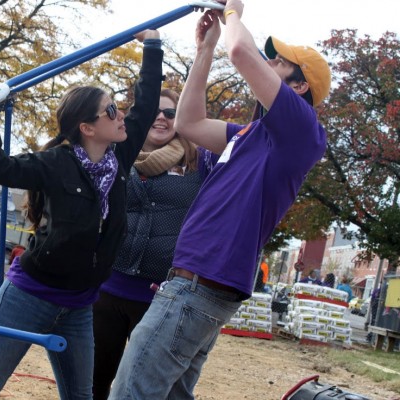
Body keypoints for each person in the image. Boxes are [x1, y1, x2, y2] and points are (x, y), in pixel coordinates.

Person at [109, 3, 330, 399]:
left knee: (131, 391)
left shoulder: (301, 128)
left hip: (200, 284)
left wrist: (233, 13)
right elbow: (188, 123)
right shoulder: (249, 134)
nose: (268, 61)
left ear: (299, 88)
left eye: (279, 62)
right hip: (196, 283)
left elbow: (242, 52)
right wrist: (205, 50)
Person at [0, 29, 163, 400]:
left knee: (81, 397)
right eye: (112, 110)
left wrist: (151, 46)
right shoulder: (56, 162)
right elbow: (0, 168)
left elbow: (146, 105)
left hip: (80, 304)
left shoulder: (119, 157)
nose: (121, 116)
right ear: (87, 128)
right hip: (30, 294)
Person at [92, 88, 207, 400]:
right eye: (154, 111)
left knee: (148, 388)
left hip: (161, 298)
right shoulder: (114, 158)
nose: (161, 117)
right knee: (93, 382)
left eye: (170, 113)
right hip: (106, 290)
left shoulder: (198, 165)